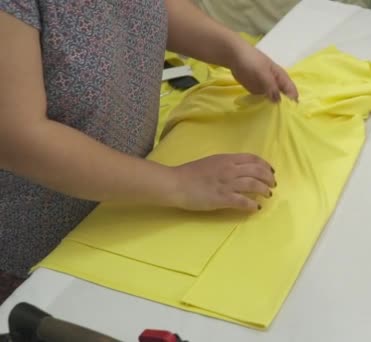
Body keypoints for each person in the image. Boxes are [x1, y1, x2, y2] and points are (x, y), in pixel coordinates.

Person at [0, 0, 299, 303]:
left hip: (119, 210)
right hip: (34, 249)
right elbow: (19, 138)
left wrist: (230, 48)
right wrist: (180, 184)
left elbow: (146, 7)